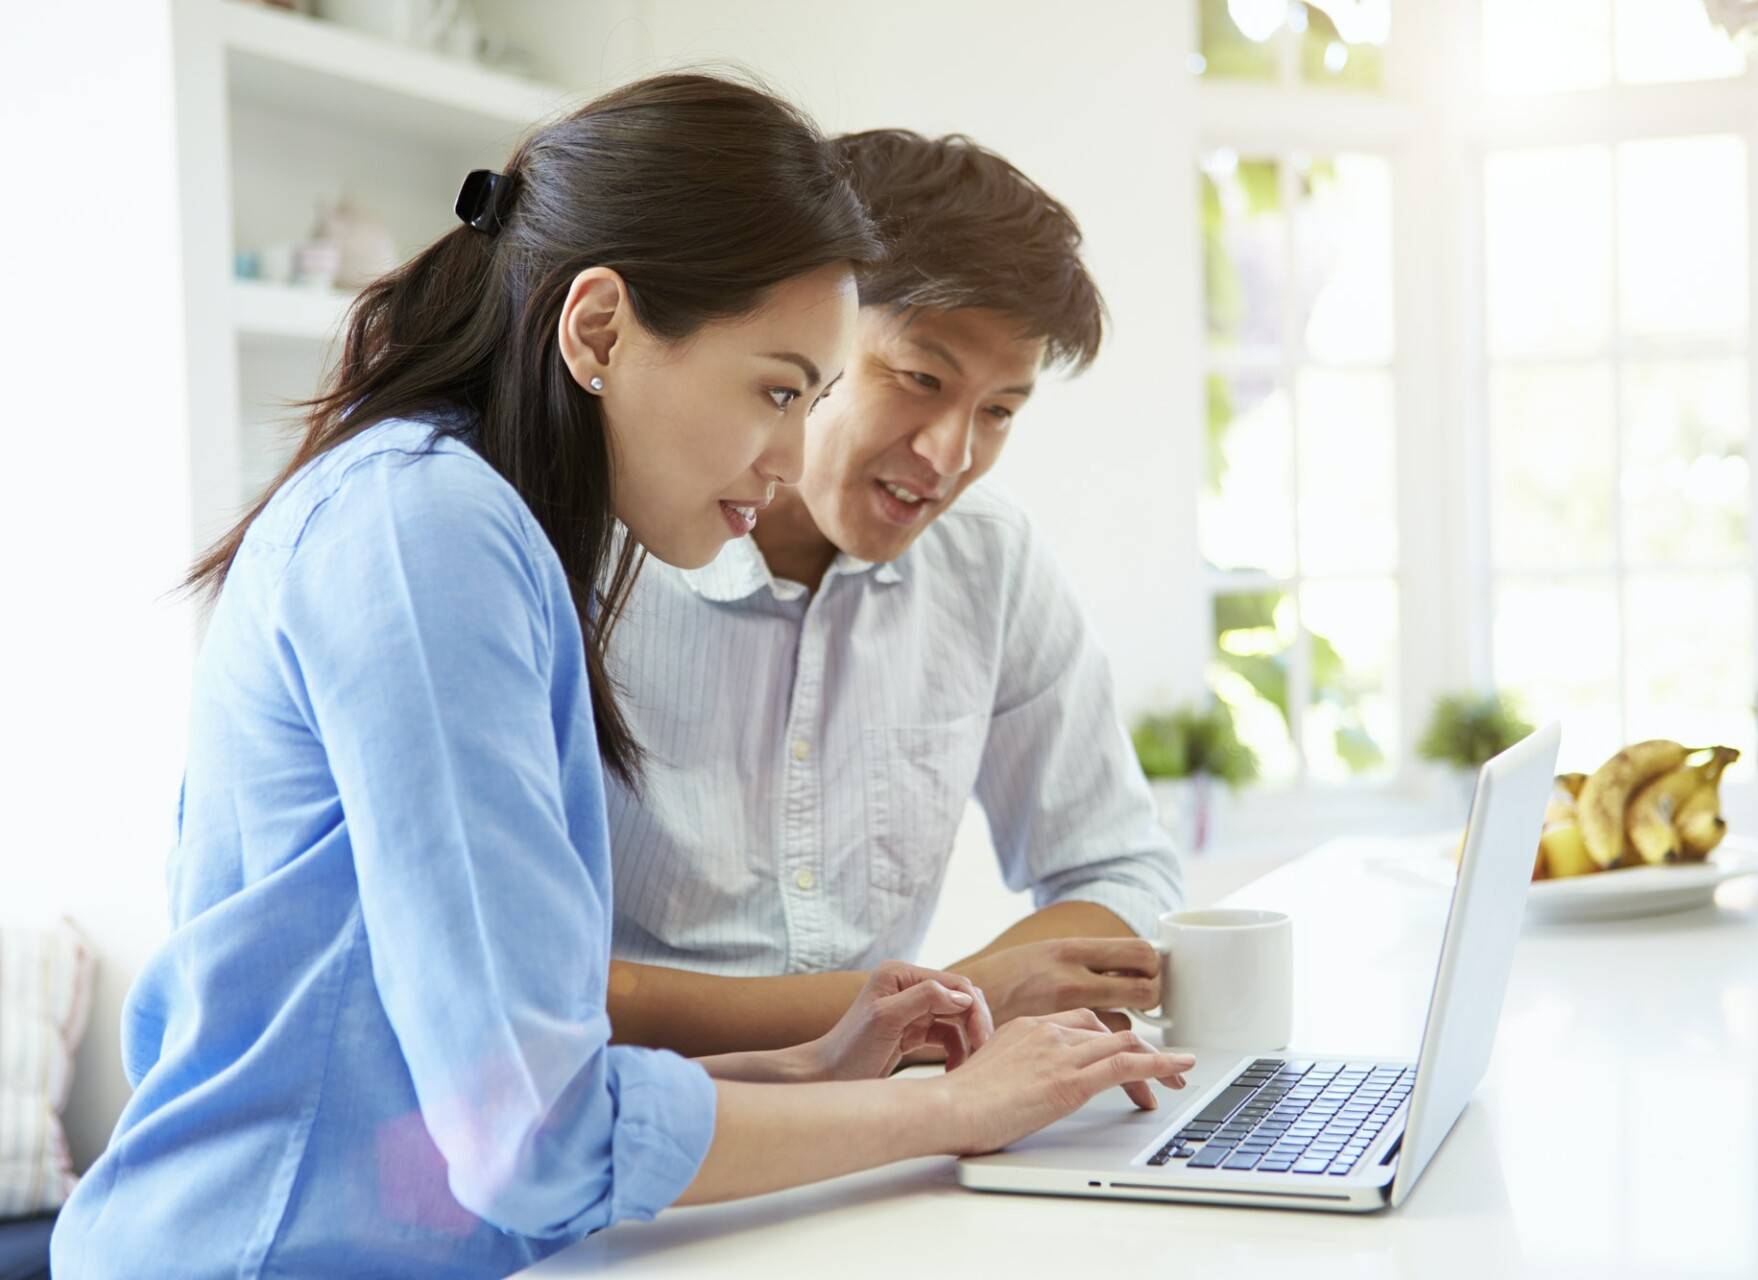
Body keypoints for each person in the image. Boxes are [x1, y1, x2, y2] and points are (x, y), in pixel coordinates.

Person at [50, 76, 1194, 1279]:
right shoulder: (425, 532)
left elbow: (516, 1087)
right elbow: (533, 1135)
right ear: (598, 330)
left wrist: (817, 1062)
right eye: (778, 390)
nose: (793, 452)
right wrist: (951, 1106)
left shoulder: (484, 528)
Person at [600, 130, 1184, 1060]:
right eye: (921, 380)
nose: (952, 456)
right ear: (813, 330)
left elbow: (1120, 867)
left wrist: (941, 1011)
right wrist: (951, 1001)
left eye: (999, 411)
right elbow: (538, 985)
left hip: (887, 1121)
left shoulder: (988, 561)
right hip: (643, 1131)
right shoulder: (590, 551)